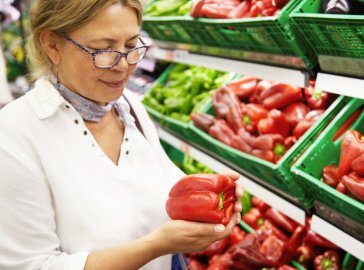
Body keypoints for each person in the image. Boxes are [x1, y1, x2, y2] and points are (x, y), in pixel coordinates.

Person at [0, 0, 243, 269]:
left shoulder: (128, 107)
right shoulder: (14, 134)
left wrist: (208, 202)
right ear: (53, 46)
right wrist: (155, 246)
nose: (123, 65)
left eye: (131, 46)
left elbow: (167, 189)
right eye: (103, 49)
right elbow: (32, 265)